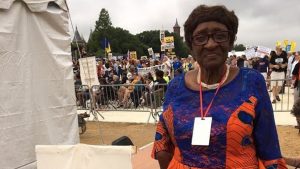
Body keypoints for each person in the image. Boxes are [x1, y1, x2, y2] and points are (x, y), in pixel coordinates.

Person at [151, 5, 287, 169]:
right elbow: (162, 144)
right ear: (191, 46)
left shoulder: (251, 82)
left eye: (220, 36)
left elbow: (269, 150)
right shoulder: (175, 87)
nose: (210, 44)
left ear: (230, 43)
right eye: (200, 38)